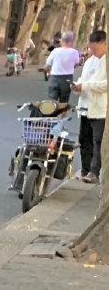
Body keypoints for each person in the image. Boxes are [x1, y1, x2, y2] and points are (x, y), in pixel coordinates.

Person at [75, 29, 107, 182]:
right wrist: (77, 86)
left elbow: (105, 85)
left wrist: (86, 86)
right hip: (85, 106)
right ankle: (85, 169)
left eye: (96, 48)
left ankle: (95, 172)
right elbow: (83, 79)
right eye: (91, 48)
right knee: (84, 140)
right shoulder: (89, 61)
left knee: (98, 141)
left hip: (100, 109)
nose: (93, 51)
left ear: (105, 44)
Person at [46, 30, 82, 107]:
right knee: (64, 103)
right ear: (72, 42)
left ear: (62, 40)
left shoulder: (55, 51)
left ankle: (52, 114)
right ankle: (62, 114)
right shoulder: (75, 52)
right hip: (67, 78)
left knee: (51, 102)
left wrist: (48, 73)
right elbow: (76, 63)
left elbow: (47, 65)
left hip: (54, 77)